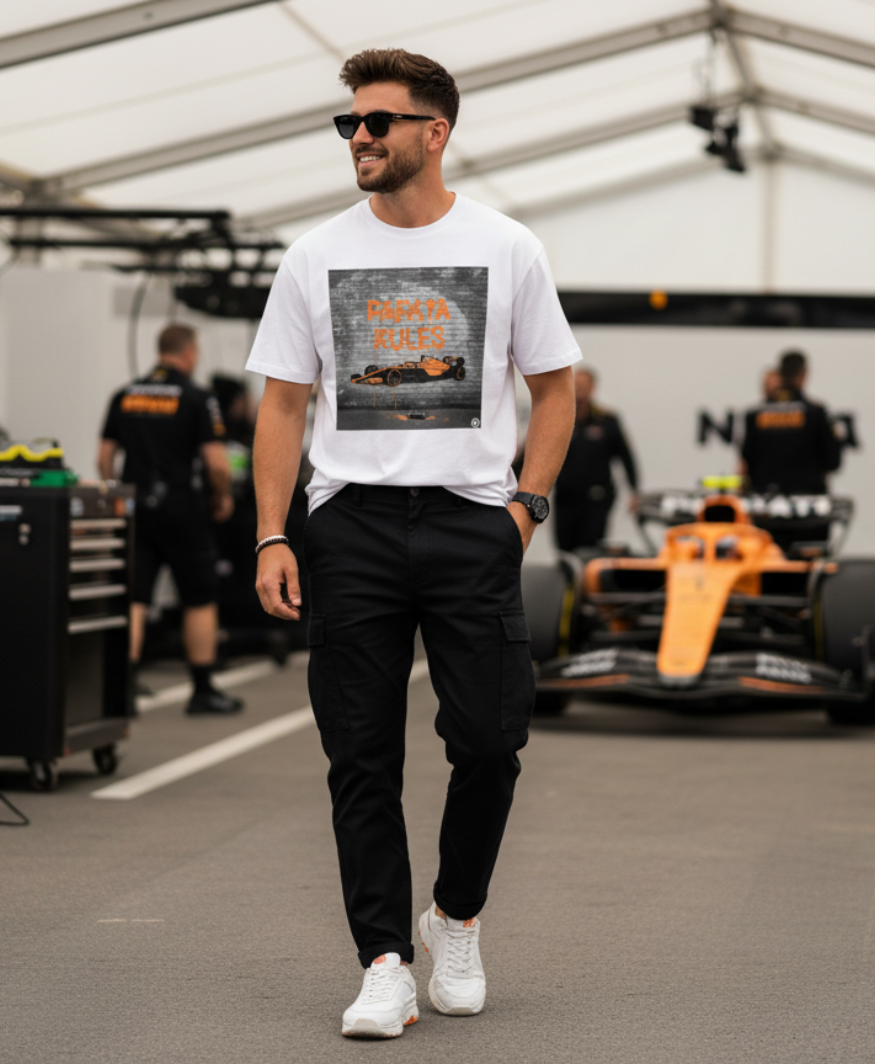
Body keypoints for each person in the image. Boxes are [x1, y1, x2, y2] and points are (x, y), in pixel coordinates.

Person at [247, 49, 578, 1040]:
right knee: (359, 752)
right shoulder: (312, 255)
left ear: (433, 133)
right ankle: (384, 958)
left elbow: (555, 388)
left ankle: (457, 915)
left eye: (378, 122)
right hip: (346, 523)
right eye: (349, 123)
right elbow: (281, 404)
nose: (359, 137)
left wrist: (522, 509)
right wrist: (272, 530)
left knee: (488, 740)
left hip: (469, 521)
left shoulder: (505, 245)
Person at [98, 323, 243, 715]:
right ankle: (202, 689)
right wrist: (223, 495)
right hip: (183, 510)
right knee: (199, 598)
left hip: (135, 508)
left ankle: (123, 692)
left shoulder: (124, 395)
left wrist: (114, 491)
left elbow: (104, 456)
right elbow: (216, 461)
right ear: (189, 352)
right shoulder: (198, 397)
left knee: (135, 598)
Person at [738, 350, 841, 549]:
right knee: (806, 573)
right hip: (809, 513)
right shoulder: (816, 413)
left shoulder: (755, 415)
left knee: (768, 572)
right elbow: (833, 461)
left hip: (766, 511)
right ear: (804, 374)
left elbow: (746, 463)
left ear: (780, 373)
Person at [554, 364, 639, 551]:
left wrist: (634, 491)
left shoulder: (607, 421)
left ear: (593, 388)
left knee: (590, 549)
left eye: (584, 385)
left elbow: (626, 457)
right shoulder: (559, 419)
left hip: (595, 499)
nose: (579, 390)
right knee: (564, 549)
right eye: (576, 385)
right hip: (565, 498)